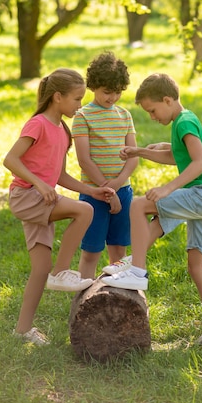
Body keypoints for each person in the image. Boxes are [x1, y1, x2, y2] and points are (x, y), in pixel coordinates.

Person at [102, 73, 202, 345]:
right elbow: (177, 157)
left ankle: (137, 271)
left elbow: (199, 165)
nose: (152, 116)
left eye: (152, 110)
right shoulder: (185, 119)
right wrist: (140, 152)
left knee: (138, 205)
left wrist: (167, 189)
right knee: (196, 266)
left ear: (168, 100)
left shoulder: (183, 122)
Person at [4, 68, 115, 346]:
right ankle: (62, 271)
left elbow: (60, 176)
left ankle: (22, 330)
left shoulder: (63, 131)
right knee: (84, 211)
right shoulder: (38, 124)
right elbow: (11, 159)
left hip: (42, 198)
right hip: (27, 196)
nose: (80, 106)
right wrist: (41, 185)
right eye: (77, 99)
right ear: (57, 97)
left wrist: (92, 190)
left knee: (40, 268)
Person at [72, 52, 138, 279]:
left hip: (124, 191)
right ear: (93, 86)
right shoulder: (82, 116)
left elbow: (134, 156)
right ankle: (83, 301)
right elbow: (84, 160)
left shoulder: (124, 115)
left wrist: (118, 186)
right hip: (94, 195)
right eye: (107, 92)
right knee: (91, 251)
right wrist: (106, 190)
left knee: (119, 252)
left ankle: (116, 297)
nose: (112, 98)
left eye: (118, 92)